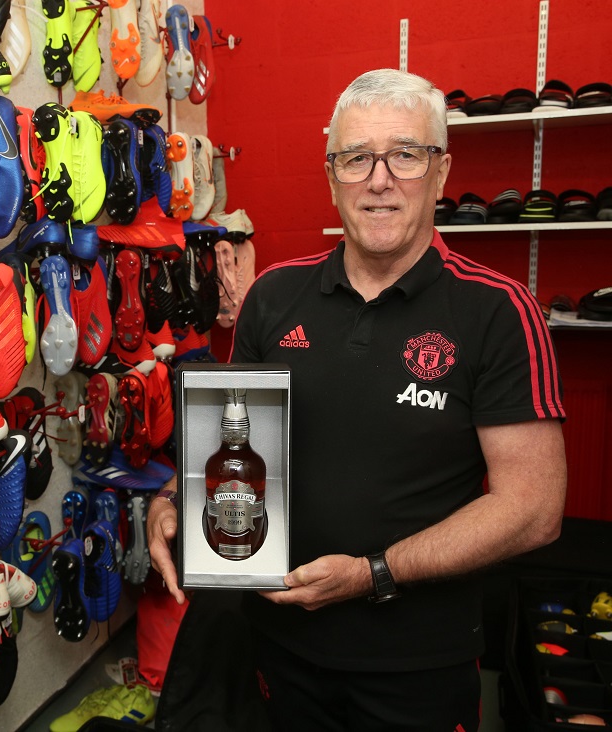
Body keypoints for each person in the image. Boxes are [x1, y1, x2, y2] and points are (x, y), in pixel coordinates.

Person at [147, 68, 567, 731]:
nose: (379, 179)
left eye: (405, 154)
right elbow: (233, 444)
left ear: (441, 169)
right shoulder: (274, 296)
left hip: (415, 666)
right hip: (276, 644)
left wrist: (376, 572)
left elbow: (533, 507)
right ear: (330, 174)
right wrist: (175, 498)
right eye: (356, 158)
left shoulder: (497, 311)